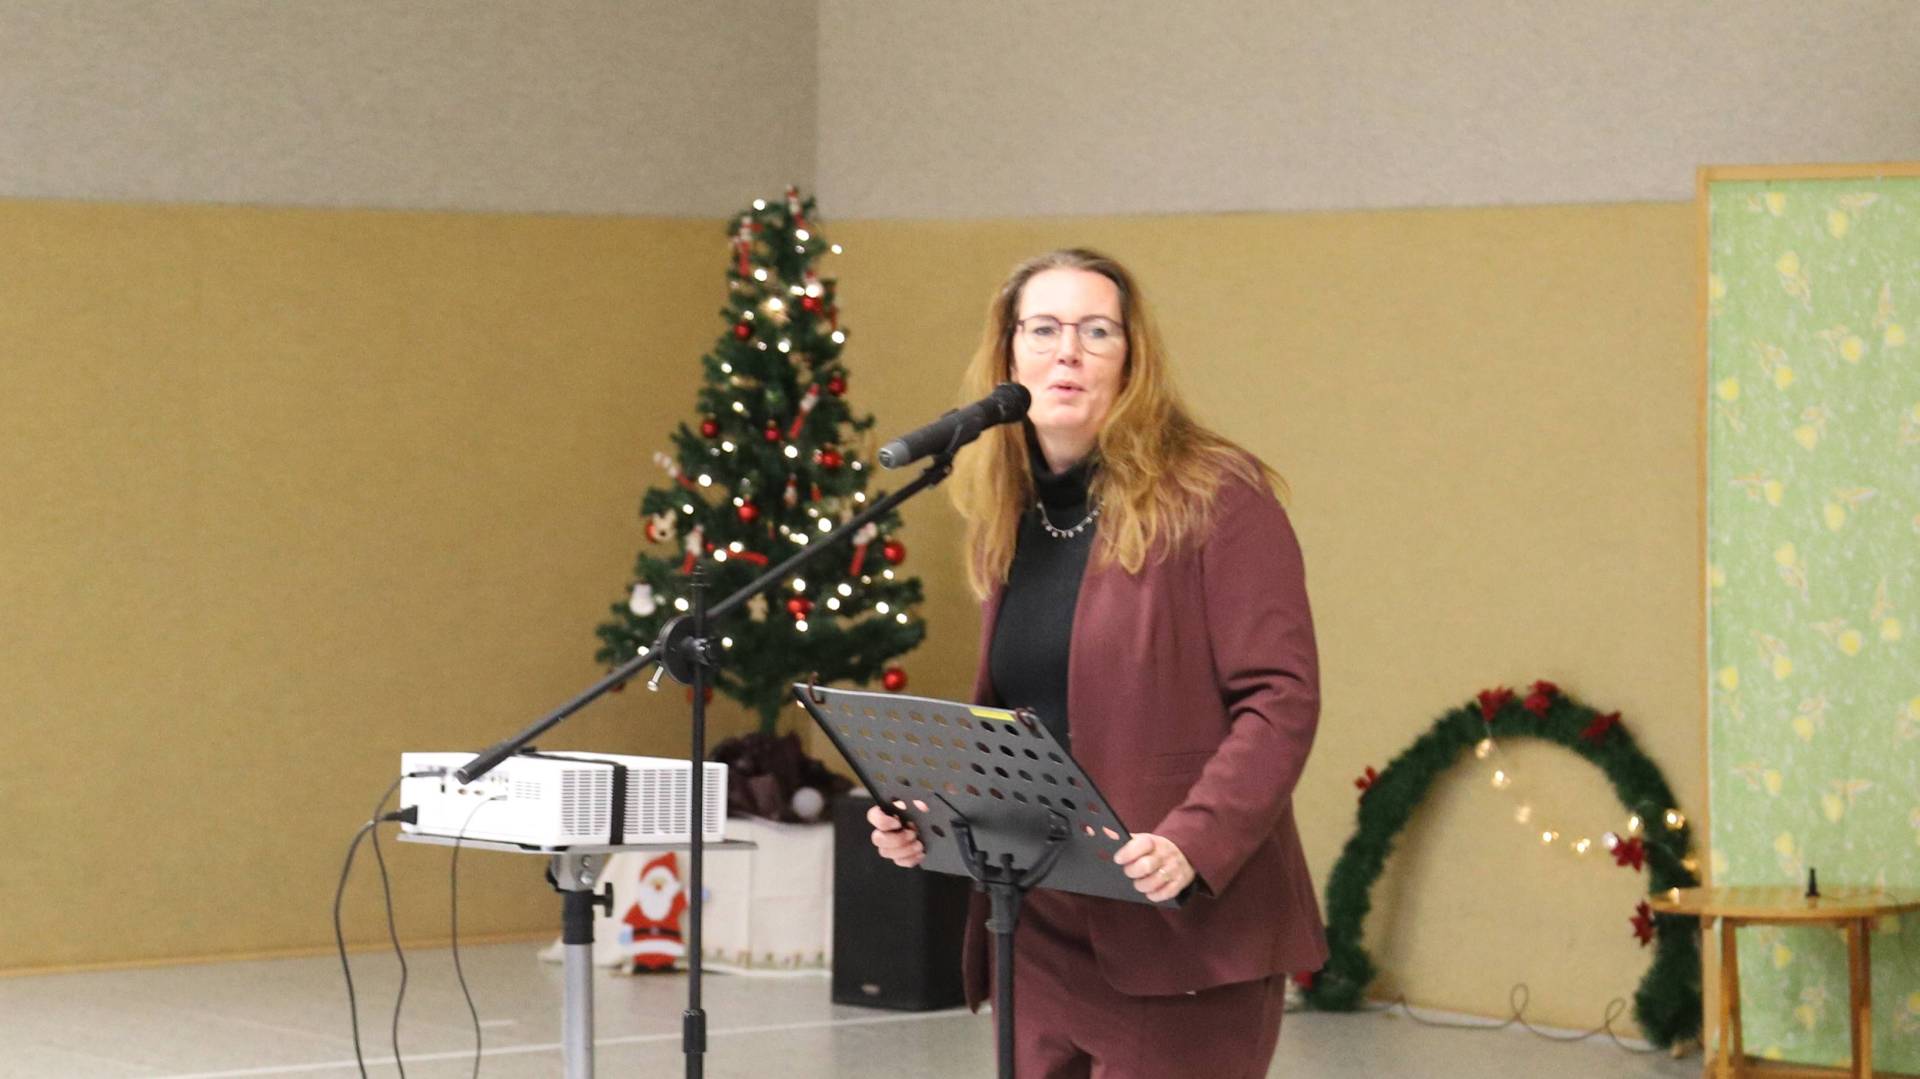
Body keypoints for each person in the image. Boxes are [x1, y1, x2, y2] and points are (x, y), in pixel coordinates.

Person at [868, 248, 1326, 1077]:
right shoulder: (1013, 511)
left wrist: (1195, 838)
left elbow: (1281, 699)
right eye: (1042, 329)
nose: (1067, 351)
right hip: (1039, 921)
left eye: (1096, 331)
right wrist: (932, 821)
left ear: (1132, 358)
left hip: (1177, 923)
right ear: (1008, 356)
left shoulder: (1219, 495)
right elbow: (1025, 718)